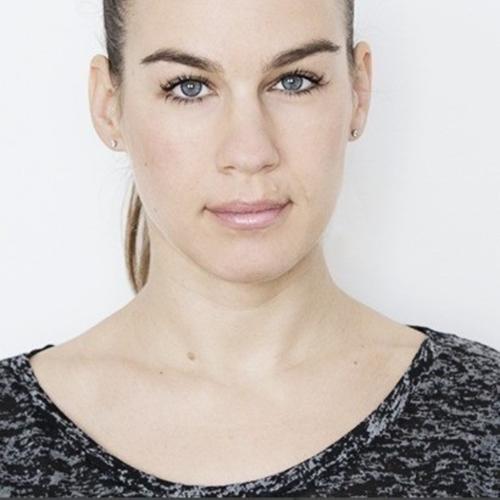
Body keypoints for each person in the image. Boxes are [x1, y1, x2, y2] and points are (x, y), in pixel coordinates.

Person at [0, 0, 498, 497]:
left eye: (294, 81)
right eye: (189, 87)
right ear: (109, 105)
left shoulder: (484, 414)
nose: (250, 152)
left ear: (359, 90)